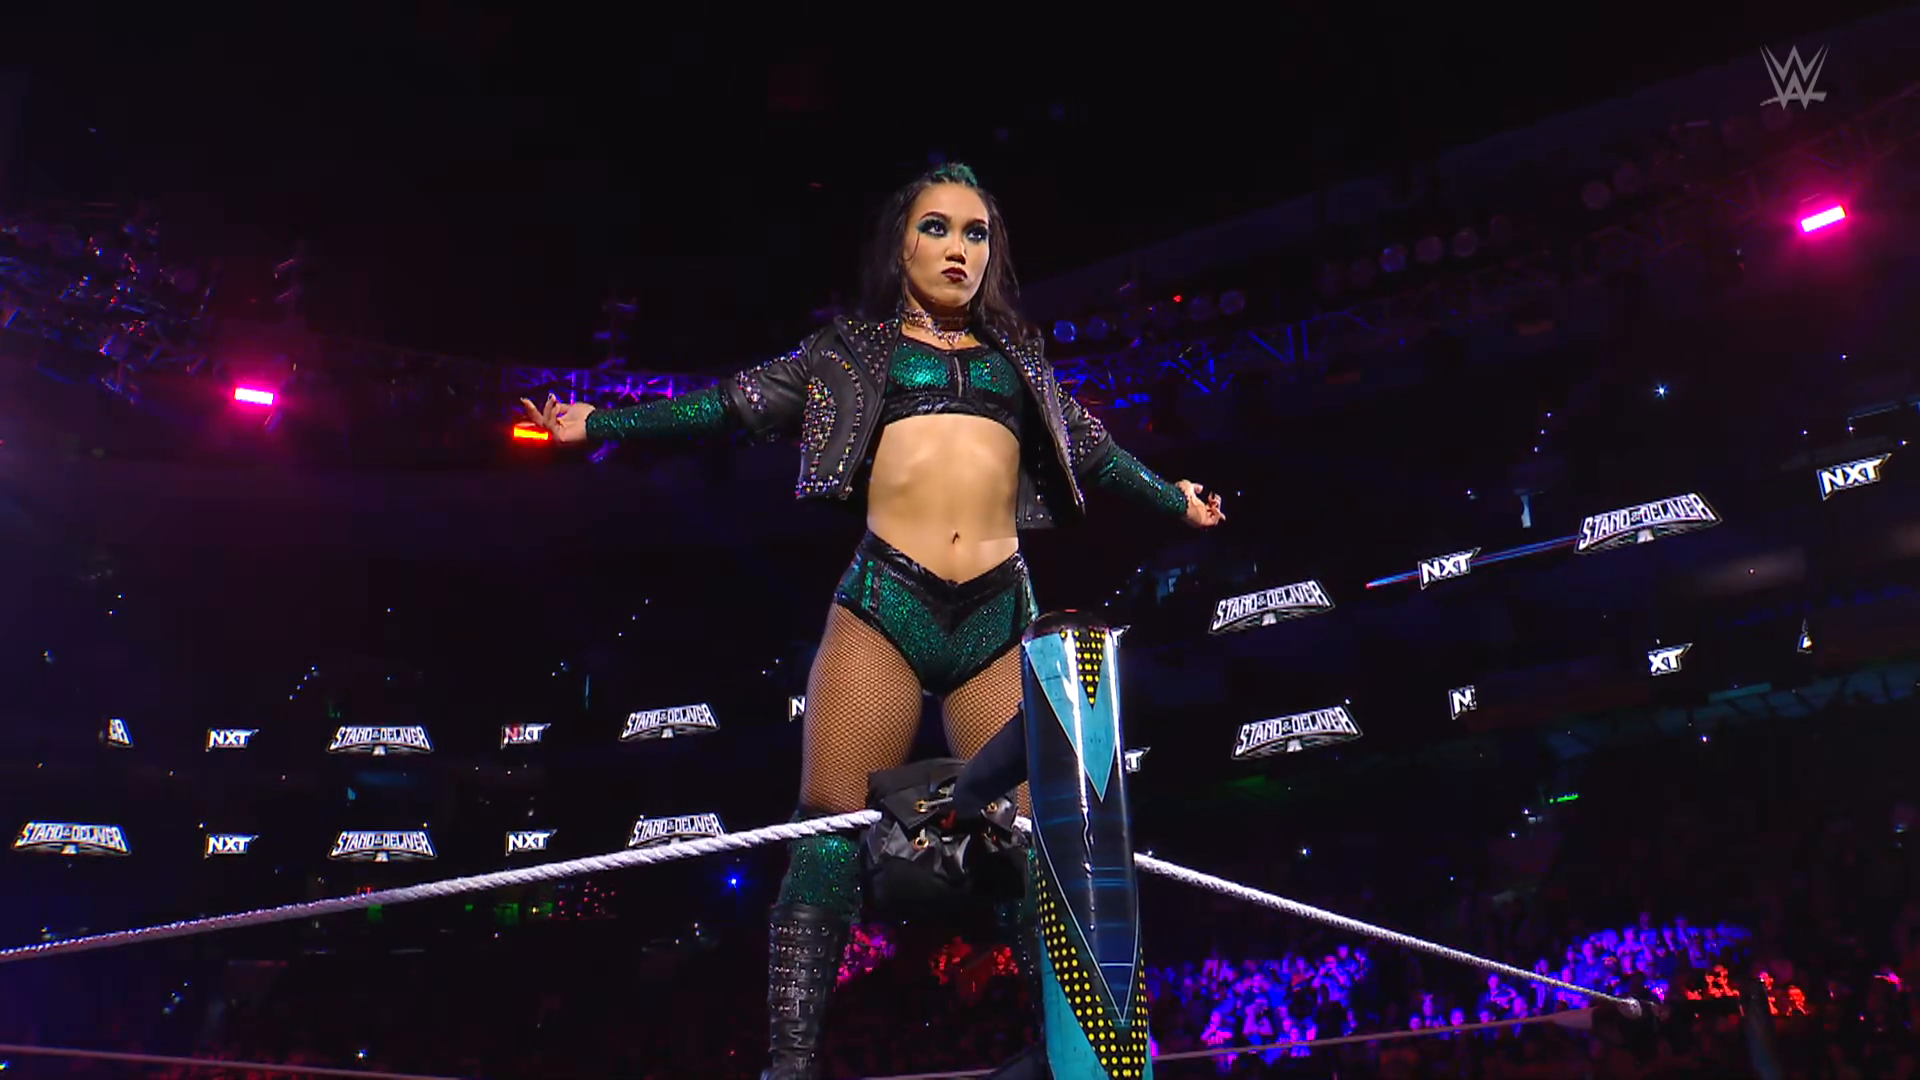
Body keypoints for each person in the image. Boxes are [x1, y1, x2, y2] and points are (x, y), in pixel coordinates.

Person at [521, 162, 1225, 1080]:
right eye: (938, 228)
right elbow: (730, 405)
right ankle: (791, 1065)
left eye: (976, 234)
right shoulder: (850, 352)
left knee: (1034, 838)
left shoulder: (1019, 360)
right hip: (887, 604)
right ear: (900, 246)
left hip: (997, 613)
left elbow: (1095, 451)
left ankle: (1063, 1050)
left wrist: (1175, 500)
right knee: (827, 827)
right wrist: (601, 424)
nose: (958, 249)